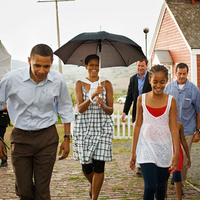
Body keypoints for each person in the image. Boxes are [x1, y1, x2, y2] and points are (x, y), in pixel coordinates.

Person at [0, 44, 74, 200]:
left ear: (51, 63)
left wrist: (67, 138)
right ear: (29, 61)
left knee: (42, 190)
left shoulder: (57, 80)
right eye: (37, 65)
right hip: (21, 139)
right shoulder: (12, 79)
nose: (42, 71)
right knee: (24, 190)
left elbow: (65, 108)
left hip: (47, 138)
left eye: (46, 66)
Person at [130, 65, 179, 200]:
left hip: (164, 148)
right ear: (150, 80)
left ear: (166, 81)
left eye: (162, 82)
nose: (158, 85)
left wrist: (176, 154)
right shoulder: (142, 99)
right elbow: (138, 125)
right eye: (155, 82)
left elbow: (174, 129)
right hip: (146, 147)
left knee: (160, 188)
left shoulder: (171, 101)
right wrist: (133, 151)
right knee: (150, 186)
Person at [73, 54, 114, 200]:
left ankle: (94, 197)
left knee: (99, 166)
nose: (94, 68)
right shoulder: (79, 83)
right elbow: (80, 108)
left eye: (97, 65)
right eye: (91, 65)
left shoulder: (106, 84)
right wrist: (92, 96)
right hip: (84, 129)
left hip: (102, 129)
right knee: (86, 167)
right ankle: (94, 185)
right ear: (86, 67)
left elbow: (111, 110)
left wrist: (103, 104)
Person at [164, 63, 200, 194]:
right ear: (175, 73)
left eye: (184, 74)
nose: (182, 76)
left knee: (183, 158)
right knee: (170, 156)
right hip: (171, 130)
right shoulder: (168, 88)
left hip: (188, 130)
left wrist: (198, 131)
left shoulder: (194, 90)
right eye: (179, 73)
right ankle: (171, 178)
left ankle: (181, 183)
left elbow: (198, 111)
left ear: (187, 73)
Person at [121, 58, 152, 176]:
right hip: (136, 113)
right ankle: (139, 165)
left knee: (147, 139)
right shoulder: (133, 79)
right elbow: (129, 97)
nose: (140, 68)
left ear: (147, 66)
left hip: (149, 113)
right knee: (138, 139)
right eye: (138, 66)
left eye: (142, 66)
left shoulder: (151, 77)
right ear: (136, 66)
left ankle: (147, 163)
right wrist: (125, 112)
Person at [165, 121, 191, 200]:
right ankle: (164, 195)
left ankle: (179, 198)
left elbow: (183, 141)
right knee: (165, 175)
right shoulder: (163, 124)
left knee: (176, 174)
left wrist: (188, 156)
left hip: (177, 153)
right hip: (166, 153)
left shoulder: (179, 125)